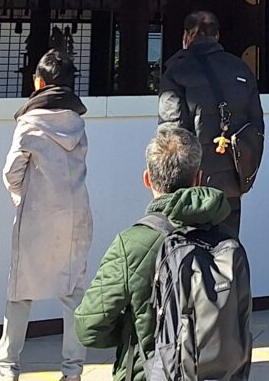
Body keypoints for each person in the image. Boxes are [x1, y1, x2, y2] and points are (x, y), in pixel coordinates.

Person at [75, 126, 233, 381]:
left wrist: (132, 329)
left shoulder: (132, 243)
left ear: (147, 179)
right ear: (198, 178)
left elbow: (89, 327)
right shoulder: (225, 239)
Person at [0, 51, 93, 381]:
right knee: (73, 294)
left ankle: (7, 368)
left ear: (39, 82)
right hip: (76, 213)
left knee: (20, 291)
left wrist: (20, 196)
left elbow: (12, 172)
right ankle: (72, 371)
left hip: (37, 213)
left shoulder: (29, 123)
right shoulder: (77, 122)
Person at [159, 9, 265, 240]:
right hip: (232, 184)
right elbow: (256, 128)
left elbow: (171, 133)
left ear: (187, 36)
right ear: (217, 36)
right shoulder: (240, 69)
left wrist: (171, 186)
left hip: (192, 186)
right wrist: (245, 178)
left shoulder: (177, 70)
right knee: (228, 249)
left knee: (191, 252)